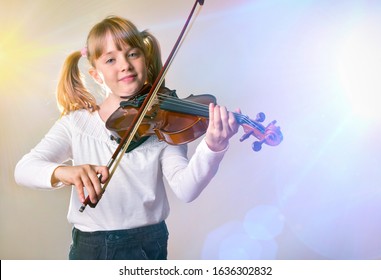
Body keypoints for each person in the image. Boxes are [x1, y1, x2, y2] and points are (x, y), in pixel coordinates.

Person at [14, 15, 239, 260]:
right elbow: (24, 169)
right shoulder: (77, 123)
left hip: (148, 245)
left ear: (145, 59)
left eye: (133, 54)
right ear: (97, 75)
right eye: (111, 59)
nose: (125, 65)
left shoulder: (162, 122)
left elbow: (186, 189)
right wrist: (66, 172)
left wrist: (213, 147)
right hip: (92, 248)